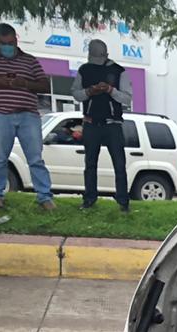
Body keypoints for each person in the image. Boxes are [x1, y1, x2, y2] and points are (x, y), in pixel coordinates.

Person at [0, 24, 54, 211]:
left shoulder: (29, 60)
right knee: (0, 157)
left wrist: (24, 83)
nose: (8, 46)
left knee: (35, 158)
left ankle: (45, 196)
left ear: (16, 40)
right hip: (0, 114)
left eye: (10, 42)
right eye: (3, 43)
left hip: (28, 115)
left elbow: (44, 85)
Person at [72, 40, 133, 212]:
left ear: (106, 55)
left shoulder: (118, 71)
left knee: (119, 165)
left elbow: (127, 99)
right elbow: (76, 93)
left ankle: (123, 202)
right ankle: (89, 198)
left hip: (112, 124)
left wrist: (110, 90)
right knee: (90, 164)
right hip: (91, 123)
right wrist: (89, 92)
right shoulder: (84, 70)